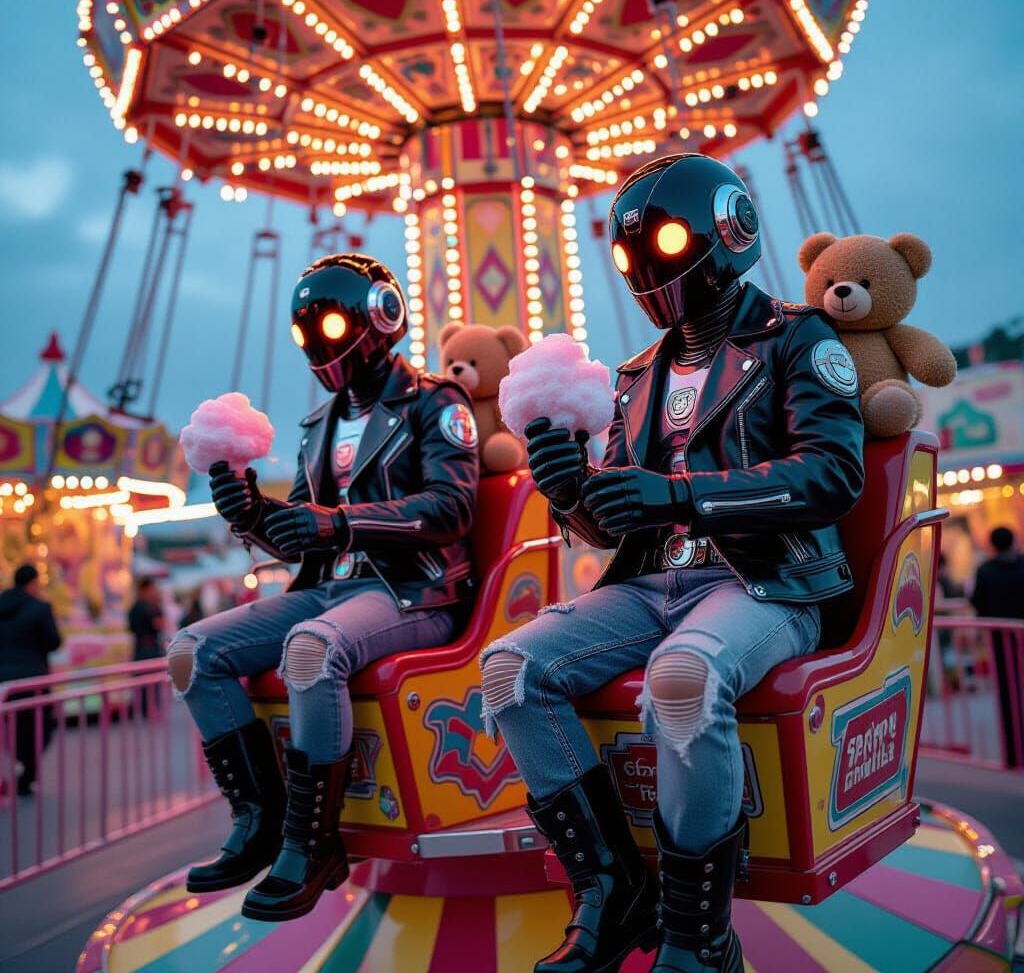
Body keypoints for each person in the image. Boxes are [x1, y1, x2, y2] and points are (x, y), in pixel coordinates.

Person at [480, 155, 864, 973]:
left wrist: (680, 494)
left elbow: (832, 475)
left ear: (726, 231)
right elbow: (614, 518)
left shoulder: (795, 337)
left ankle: (697, 936)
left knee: (683, 676)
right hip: (653, 582)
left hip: (767, 580)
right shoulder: (635, 378)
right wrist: (569, 488)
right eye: (634, 255)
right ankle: (610, 888)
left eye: (663, 242)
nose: (650, 269)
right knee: (510, 667)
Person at [167, 253, 479, 922]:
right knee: (192, 651)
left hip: (411, 589)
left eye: (332, 324)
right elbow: (303, 538)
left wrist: (341, 524)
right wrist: (251, 512)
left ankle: (313, 843)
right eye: (309, 331)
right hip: (331, 589)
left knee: (312, 648)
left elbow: (451, 509)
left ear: (381, 317)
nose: (323, 344)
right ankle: (260, 818)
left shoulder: (434, 403)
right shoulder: (317, 428)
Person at [0, 564, 61, 795]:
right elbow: (53, 641)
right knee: (37, 729)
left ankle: (14, 771)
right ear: (34, 582)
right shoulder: (39, 608)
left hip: (3, 680)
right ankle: (27, 773)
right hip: (32, 678)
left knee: (8, 730)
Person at [971, 526, 1024, 766]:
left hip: (1001, 642)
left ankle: (1014, 751)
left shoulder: (985, 571)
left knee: (1007, 694)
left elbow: (978, 602)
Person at [128, 577, 166, 660]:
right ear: (145, 590)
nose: (154, 592)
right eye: (152, 589)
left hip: (140, 649)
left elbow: (131, 629)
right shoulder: (148, 607)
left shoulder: (134, 607)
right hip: (149, 651)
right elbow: (160, 625)